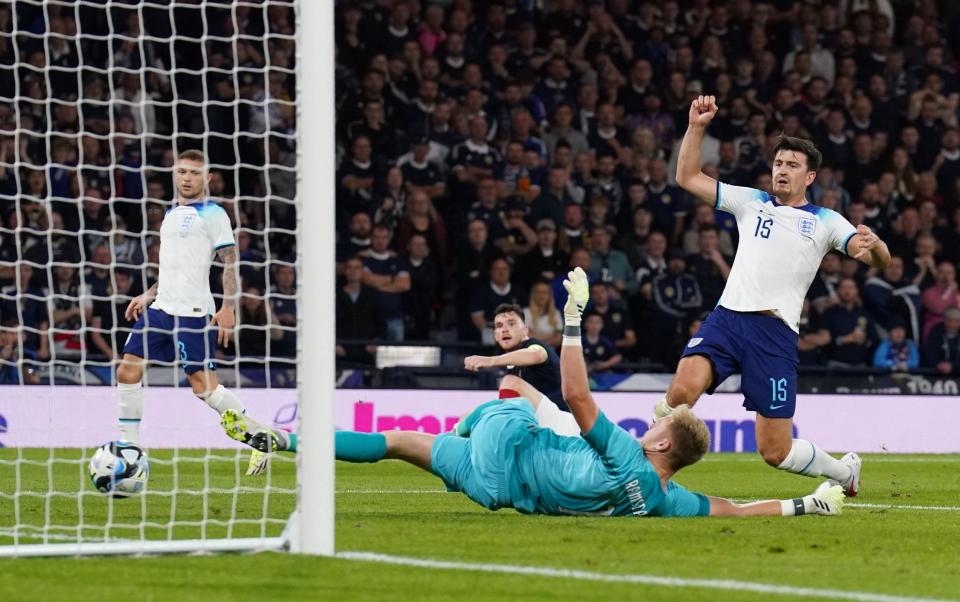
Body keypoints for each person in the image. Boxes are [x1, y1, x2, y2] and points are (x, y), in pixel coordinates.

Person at [232, 268, 846, 518]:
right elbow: (730, 511)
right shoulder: (663, 501)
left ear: (661, 437)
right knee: (405, 441)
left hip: (510, 443)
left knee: (511, 394)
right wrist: (804, 505)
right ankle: (288, 440)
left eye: (657, 423)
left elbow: (580, 401)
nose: (651, 423)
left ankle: (284, 439)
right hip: (495, 492)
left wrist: (574, 321)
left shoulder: (629, 455)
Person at [664, 95, 893, 495]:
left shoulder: (824, 221)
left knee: (774, 450)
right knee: (682, 390)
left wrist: (874, 245)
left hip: (774, 333)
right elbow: (687, 177)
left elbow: (878, 261)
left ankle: (843, 473)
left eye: (792, 165)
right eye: (778, 163)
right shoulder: (751, 202)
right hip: (727, 319)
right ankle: (644, 471)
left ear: (810, 177)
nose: (781, 170)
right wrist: (696, 127)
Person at [116, 150, 271, 450]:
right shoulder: (170, 215)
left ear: (207, 178)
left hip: (193, 313)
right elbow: (173, 268)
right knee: (127, 370)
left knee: (204, 389)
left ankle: (259, 436)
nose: (187, 178)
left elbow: (229, 261)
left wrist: (228, 306)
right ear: (175, 175)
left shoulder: (214, 214)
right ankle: (129, 448)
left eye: (194, 173)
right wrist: (148, 295)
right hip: (161, 309)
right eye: (182, 172)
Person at [463, 303, 565, 411]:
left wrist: (490, 360)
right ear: (495, 336)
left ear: (525, 331)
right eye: (499, 326)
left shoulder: (535, 345)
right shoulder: (511, 366)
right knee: (470, 415)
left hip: (559, 417)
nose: (504, 329)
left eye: (511, 324)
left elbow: (535, 355)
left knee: (510, 382)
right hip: (537, 421)